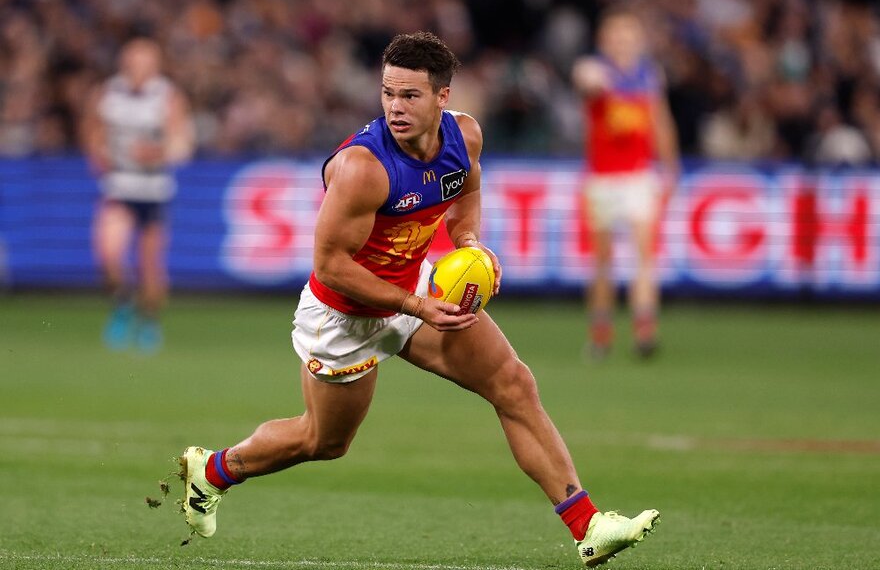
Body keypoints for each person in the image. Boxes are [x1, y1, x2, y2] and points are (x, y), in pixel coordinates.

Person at [177, 32, 659, 567]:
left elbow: (465, 193)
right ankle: (213, 471)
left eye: (410, 95)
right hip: (344, 316)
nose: (395, 107)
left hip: (416, 289)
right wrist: (416, 306)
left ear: (443, 97)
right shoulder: (364, 168)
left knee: (514, 383)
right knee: (324, 441)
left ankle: (587, 525)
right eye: (387, 93)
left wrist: (471, 246)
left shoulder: (465, 138)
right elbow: (331, 265)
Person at [572, 7, 680, 359]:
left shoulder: (648, 77)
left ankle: (644, 330)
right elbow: (587, 80)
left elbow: (660, 122)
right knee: (603, 261)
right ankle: (601, 332)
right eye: (617, 36)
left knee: (643, 256)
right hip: (602, 179)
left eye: (628, 36)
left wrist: (670, 166)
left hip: (638, 176)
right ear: (605, 40)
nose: (623, 42)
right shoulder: (596, 70)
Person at [81, 37, 194, 353]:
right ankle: (122, 301)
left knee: (150, 268)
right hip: (118, 185)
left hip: (154, 189)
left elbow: (181, 145)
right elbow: (93, 131)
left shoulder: (167, 97)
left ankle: (149, 320)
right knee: (109, 253)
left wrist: (156, 153)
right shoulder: (108, 94)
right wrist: (98, 153)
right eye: (135, 60)